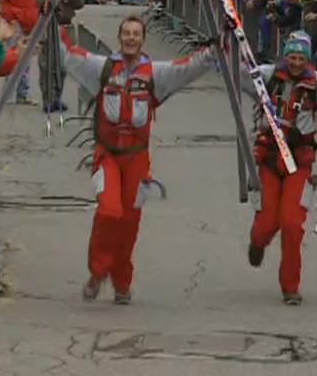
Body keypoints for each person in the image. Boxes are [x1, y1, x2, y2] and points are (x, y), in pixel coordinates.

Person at [58, 16, 217, 305]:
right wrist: (49, 21)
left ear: (142, 40)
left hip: (137, 158)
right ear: (119, 38)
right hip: (106, 154)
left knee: (129, 222)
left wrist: (217, 49)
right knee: (109, 211)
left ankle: (121, 283)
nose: (131, 38)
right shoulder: (102, 68)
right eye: (126, 34)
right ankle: (98, 272)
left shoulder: (155, 73)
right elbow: (68, 55)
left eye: (136, 34)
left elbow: (188, 68)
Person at [245, 32, 317, 306]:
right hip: (270, 157)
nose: (296, 62)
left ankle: (290, 286)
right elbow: (239, 74)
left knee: (292, 224)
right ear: (285, 56)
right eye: (292, 56)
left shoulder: (316, 82)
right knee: (266, 223)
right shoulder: (268, 75)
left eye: (301, 58)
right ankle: (258, 243)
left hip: (299, 160)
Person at [36, 0, 85, 113]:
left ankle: (57, 97)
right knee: (47, 65)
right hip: (49, 28)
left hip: (66, 28)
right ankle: (48, 99)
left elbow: (79, 4)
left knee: (62, 66)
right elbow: (43, 3)